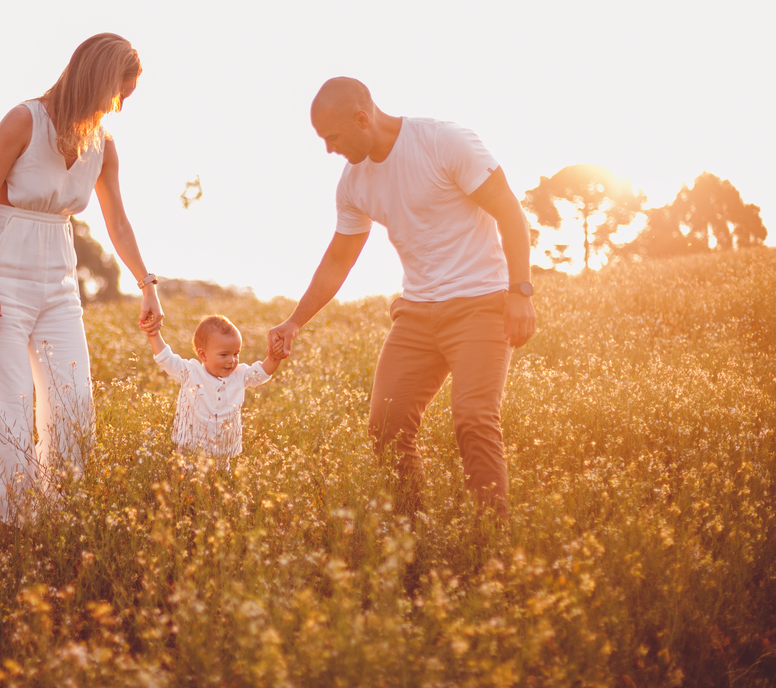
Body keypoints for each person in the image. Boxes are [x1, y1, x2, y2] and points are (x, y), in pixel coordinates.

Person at [267, 78, 536, 519]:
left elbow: (510, 212)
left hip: (481, 305)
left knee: (473, 418)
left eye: (331, 137)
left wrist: (520, 291)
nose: (329, 150)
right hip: (416, 314)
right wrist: (295, 321)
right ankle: (414, 537)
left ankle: (491, 545)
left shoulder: (442, 142)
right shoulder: (353, 184)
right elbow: (338, 259)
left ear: (362, 118)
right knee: (385, 428)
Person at [0, 33, 162, 522]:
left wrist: (147, 285)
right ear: (96, 79)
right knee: (10, 401)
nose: (117, 108)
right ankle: (14, 525)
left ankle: (61, 516)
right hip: (1, 273)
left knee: (74, 403)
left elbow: (118, 223)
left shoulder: (102, 144)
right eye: (118, 94)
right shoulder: (23, 121)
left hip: (59, 280)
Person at [143, 314, 281, 464]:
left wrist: (275, 357)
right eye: (224, 354)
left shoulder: (239, 375)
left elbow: (263, 372)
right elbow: (166, 358)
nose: (231, 360)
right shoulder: (191, 372)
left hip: (222, 454)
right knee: (186, 485)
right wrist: (153, 333)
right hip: (189, 451)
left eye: (236, 354)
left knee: (221, 485)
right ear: (203, 355)